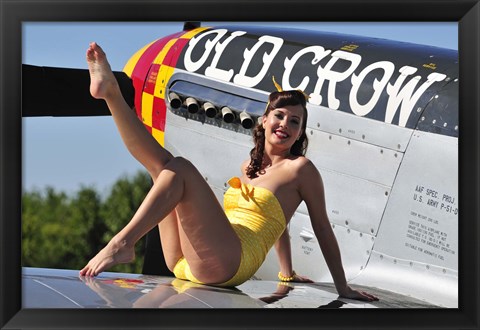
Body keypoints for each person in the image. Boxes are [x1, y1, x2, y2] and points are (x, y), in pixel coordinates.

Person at [80, 42, 378, 302]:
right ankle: (111, 96)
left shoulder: (300, 169)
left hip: (230, 263)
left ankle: (121, 243)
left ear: (300, 134)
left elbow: (322, 227)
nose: (286, 125)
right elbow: (279, 223)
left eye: (295, 122)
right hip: (187, 261)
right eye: (280, 115)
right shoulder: (248, 167)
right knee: (163, 167)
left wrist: (343, 288)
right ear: (263, 120)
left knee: (180, 168)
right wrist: (286, 273)